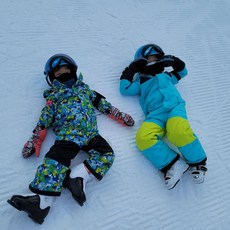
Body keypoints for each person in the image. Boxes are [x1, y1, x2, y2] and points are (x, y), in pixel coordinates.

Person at [7, 54, 134, 224]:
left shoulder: (85, 89)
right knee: (55, 160)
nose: (64, 75)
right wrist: (36, 138)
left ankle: (77, 176)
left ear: (73, 72)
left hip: (91, 134)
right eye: (59, 74)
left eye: (66, 71)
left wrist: (120, 115)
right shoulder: (54, 96)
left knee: (107, 155)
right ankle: (42, 203)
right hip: (68, 135)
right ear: (52, 79)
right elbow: (45, 118)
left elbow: (103, 104)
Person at [119, 43, 207, 190]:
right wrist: (131, 70)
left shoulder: (167, 76)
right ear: (141, 62)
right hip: (154, 116)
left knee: (177, 130)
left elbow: (182, 72)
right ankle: (174, 164)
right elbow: (124, 89)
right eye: (148, 59)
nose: (153, 62)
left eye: (156, 58)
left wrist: (175, 62)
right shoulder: (140, 81)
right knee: (143, 138)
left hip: (174, 108)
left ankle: (197, 163)